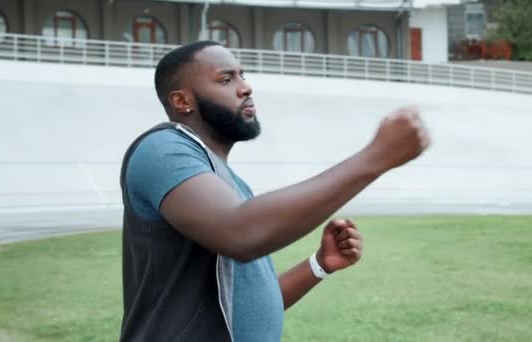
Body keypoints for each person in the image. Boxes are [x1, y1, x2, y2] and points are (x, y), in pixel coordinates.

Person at [119, 40, 430, 342]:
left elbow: (255, 305)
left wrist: (319, 265)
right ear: (182, 101)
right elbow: (241, 234)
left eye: (243, 75)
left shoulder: (226, 181)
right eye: (226, 79)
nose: (245, 87)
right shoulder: (162, 149)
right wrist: (377, 157)